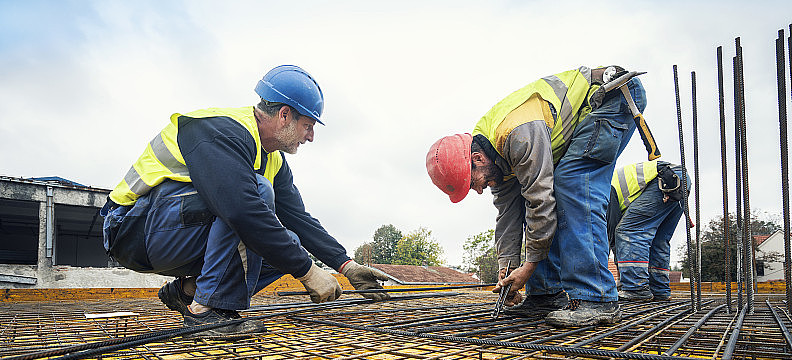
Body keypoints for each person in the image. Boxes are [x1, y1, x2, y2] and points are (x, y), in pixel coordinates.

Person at [101, 65, 388, 338]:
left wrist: (346, 265)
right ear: (284, 115)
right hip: (134, 232)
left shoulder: (272, 159)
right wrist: (308, 271)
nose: (310, 137)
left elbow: (299, 219)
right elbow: (241, 210)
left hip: (172, 234)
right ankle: (204, 312)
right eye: (307, 126)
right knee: (257, 196)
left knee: (288, 242)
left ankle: (188, 292)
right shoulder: (219, 130)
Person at [426, 66, 647, 327]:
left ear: (477, 159)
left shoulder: (517, 135)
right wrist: (508, 269)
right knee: (539, 199)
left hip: (611, 99)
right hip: (594, 111)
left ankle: (596, 299)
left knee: (572, 184)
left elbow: (541, 202)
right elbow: (508, 216)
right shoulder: (495, 157)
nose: (479, 190)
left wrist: (528, 267)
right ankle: (546, 295)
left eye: (474, 183)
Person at [607, 161, 688, 301]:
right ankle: (659, 290)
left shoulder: (603, 190)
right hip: (680, 181)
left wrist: (622, 277)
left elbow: (614, 234)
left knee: (628, 231)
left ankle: (635, 288)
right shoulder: (609, 182)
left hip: (665, 180)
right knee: (658, 240)